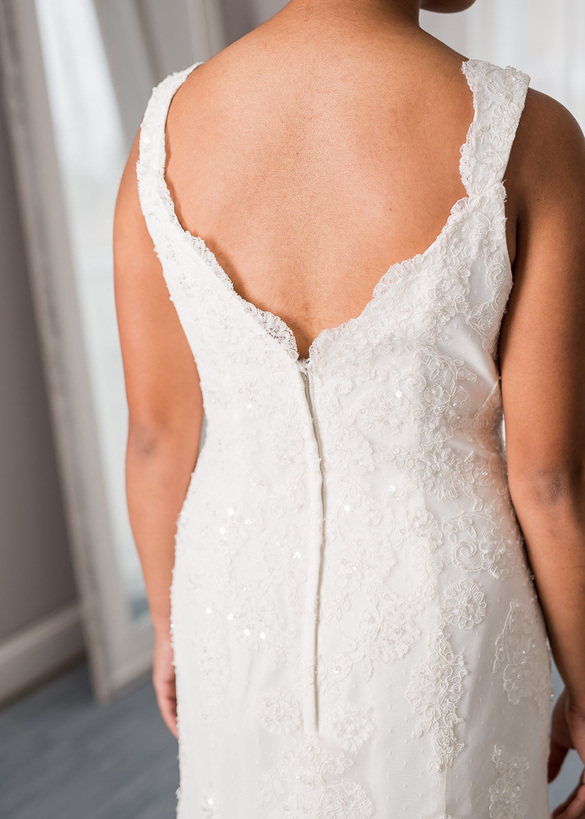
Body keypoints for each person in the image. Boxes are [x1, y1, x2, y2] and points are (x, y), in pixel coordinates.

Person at [113, 0, 585, 816]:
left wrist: (168, 624)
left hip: (232, 599)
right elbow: (548, 480)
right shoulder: (531, 134)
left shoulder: (164, 130)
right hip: (441, 615)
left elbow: (157, 438)